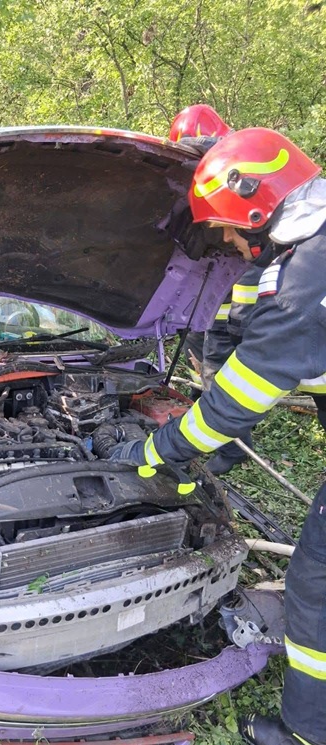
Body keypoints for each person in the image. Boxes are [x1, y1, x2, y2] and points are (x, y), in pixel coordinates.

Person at [111, 127, 326, 745]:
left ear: (257, 211)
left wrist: (157, 452)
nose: (229, 244)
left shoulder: (304, 284)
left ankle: (311, 732)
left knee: (315, 582)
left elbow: (233, 404)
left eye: (228, 231)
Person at [169, 105, 260, 474]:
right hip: (211, 301)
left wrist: (237, 323)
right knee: (203, 364)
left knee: (219, 372)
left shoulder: (234, 175)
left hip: (231, 305)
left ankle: (234, 447)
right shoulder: (223, 174)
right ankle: (204, 411)